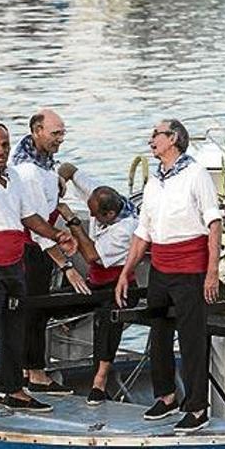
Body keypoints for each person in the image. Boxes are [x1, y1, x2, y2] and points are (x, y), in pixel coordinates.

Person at [115, 119, 222, 433]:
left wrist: (212, 272)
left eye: (155, 135)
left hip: (190, 268)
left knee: (191, 339)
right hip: (161, 267)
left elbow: (214, 223)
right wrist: (126, 272)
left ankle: (198, 407)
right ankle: (166, 396)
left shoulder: (196, 174)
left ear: (173, 138)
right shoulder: (154, 182)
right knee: (158, 333)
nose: (151, 140)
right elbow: (143, 231)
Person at [0, 123, 77, 421]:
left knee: (14, 331)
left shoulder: (14, 176)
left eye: (4, 144)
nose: (0, 151)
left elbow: (28, 216)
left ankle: (12, 389)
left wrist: (56, 235)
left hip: (13, 266)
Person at [10, 109, 84, 395]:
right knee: (35, 310)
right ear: (37, 130)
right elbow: (39, 230)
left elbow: (49, 177)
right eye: (55, 134)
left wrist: (58, 182)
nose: (60, 139)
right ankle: (36, 374)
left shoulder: (32, 154)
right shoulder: (28, 172)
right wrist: (67, 266)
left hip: (36, 240)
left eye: (62, 133)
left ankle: (27, 369)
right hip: (32, 247)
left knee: (29, 311)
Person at [57, 162, 139, 405]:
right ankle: (33, 372)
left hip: (120, 284)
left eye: (95, 215)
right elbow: (68, 168)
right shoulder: (99, 194)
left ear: (110, 215)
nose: (91, 216)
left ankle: (100, 381)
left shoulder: (126, 227)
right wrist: (57, 184)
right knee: (45, 304)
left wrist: (73, 222)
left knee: (108, 317)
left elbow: (92, 256)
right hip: (92, 283)